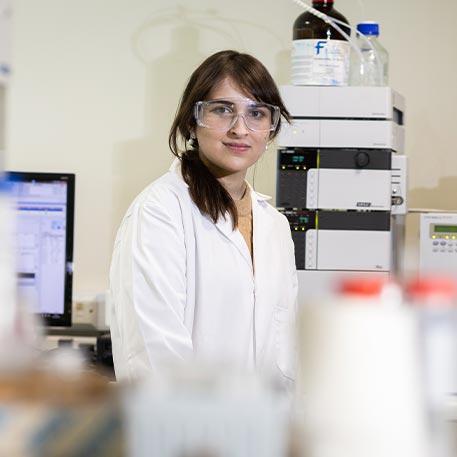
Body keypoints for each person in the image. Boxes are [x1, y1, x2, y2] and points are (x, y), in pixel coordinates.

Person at [109, 50, 298, 387]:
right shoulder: (159, 212)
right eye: (222, 110)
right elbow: (155, 358)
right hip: (185, 430)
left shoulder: (275, 226)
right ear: (192, 122)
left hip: (261, 429)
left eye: (257, 113)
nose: (240, 128)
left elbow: (284, 354)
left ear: (270, 130)